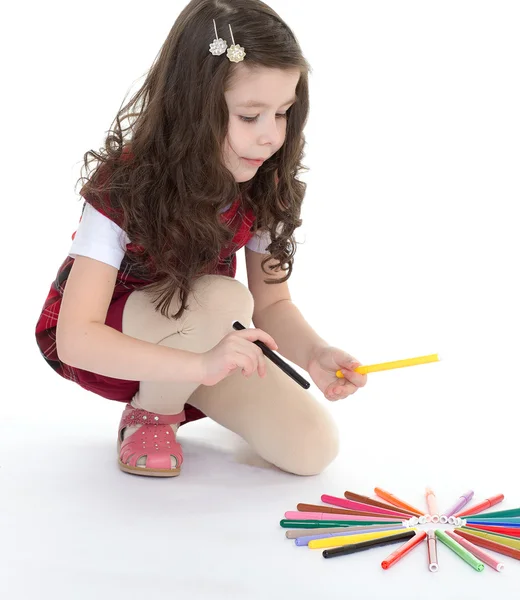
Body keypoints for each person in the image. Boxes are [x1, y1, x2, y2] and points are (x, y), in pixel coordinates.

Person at [35, 0, 367, 479]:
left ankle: (191, 387)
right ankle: (152, 413)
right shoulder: (125, 186)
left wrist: (314, 353)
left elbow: (271, 305)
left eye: (284, 113)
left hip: (208, 340)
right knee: (223, 298)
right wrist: (201, 363)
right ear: (194, 107)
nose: (271, 137)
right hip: (117, 345)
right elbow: (75, 338)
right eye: (250, 116)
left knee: (311, 448)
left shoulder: (265, 183)